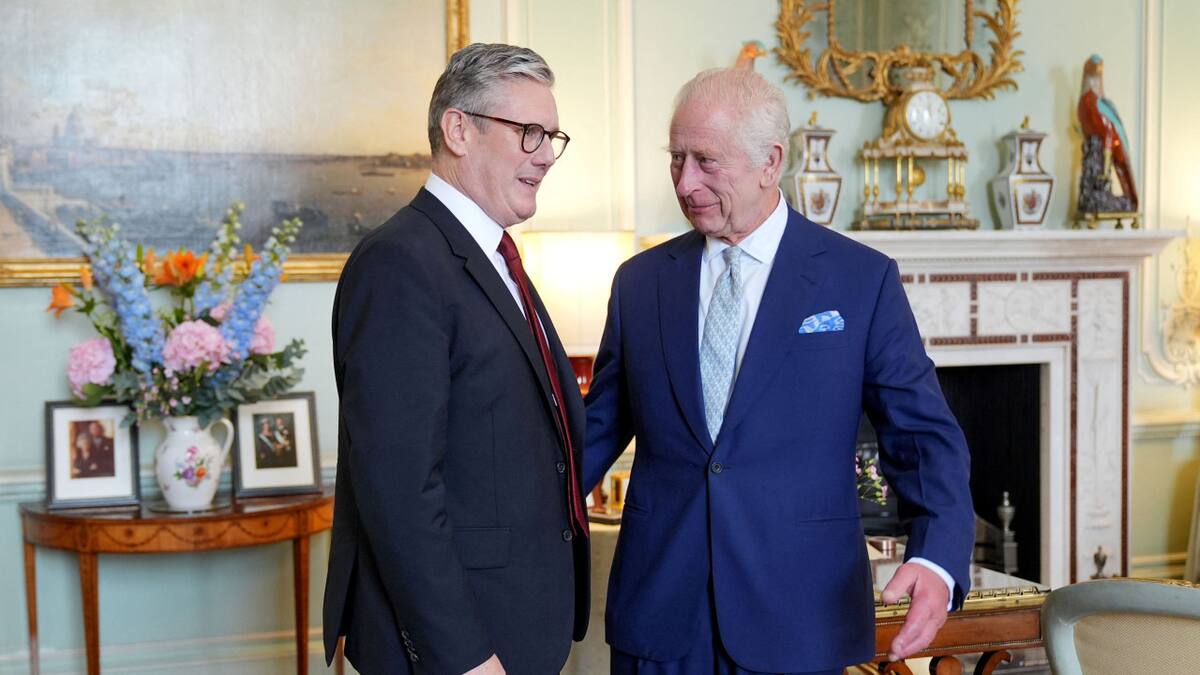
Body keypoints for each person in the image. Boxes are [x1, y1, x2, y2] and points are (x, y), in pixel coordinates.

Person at [583, 68, 975, 674]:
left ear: (771, 162)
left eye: (706, 161)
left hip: (801, 615)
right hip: (660, 618)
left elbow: (923, 437)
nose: (685, 182)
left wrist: (938, 558)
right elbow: (596, 431)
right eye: (677, 158)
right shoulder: (639, 283)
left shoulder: (859, 280)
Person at [323, 43, 589, 675]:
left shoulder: (493, 258)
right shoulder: (401, 262)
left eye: (551, 136)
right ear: (458, 129)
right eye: (529, 133)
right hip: (459, 647)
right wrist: (463, 656)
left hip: (514, 624)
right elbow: (398, 489)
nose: (546, 155)